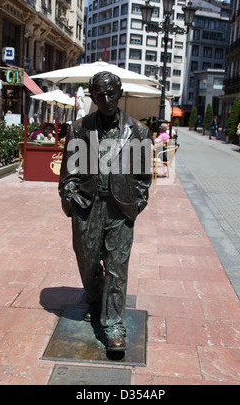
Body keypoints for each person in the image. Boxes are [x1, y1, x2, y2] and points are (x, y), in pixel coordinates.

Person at [59, 71, 152, 353]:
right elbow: (68, 175)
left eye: (111, 93)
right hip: (87, 205)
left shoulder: (138, 132)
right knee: (87, 261)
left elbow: (143, 178)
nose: (107, 100)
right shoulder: (79, 129)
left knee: (116, 266)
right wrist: (72, 197)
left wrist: (135, 204)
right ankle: (96, 297)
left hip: (120, 207)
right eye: (100, 95)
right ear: (93, 96)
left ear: (120, 92)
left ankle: (113, 325)